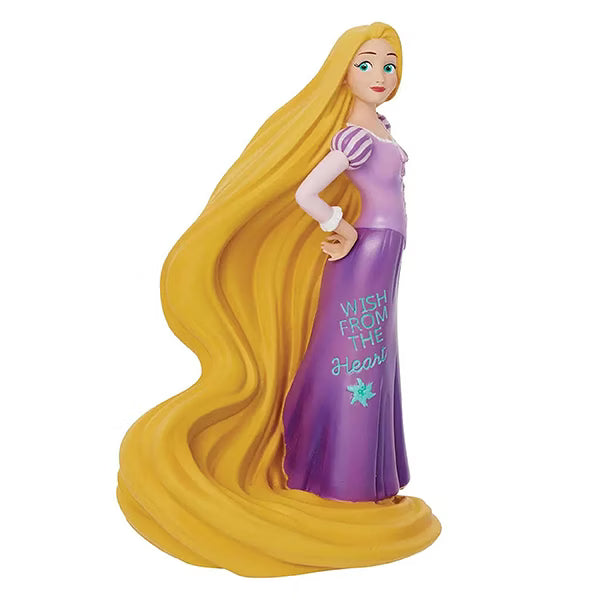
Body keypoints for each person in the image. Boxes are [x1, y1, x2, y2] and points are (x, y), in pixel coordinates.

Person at [116, 21, 441, 577]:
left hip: (385, 251)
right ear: (343, 69)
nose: (381, 74)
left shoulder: (380, 127)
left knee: (375, 357)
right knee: (355, 358)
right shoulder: (354, 136)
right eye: (366, 63)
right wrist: (338, 224)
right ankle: (339, 476)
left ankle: (363, 474)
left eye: (390, 64)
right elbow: (306, 192)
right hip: (365, 252)